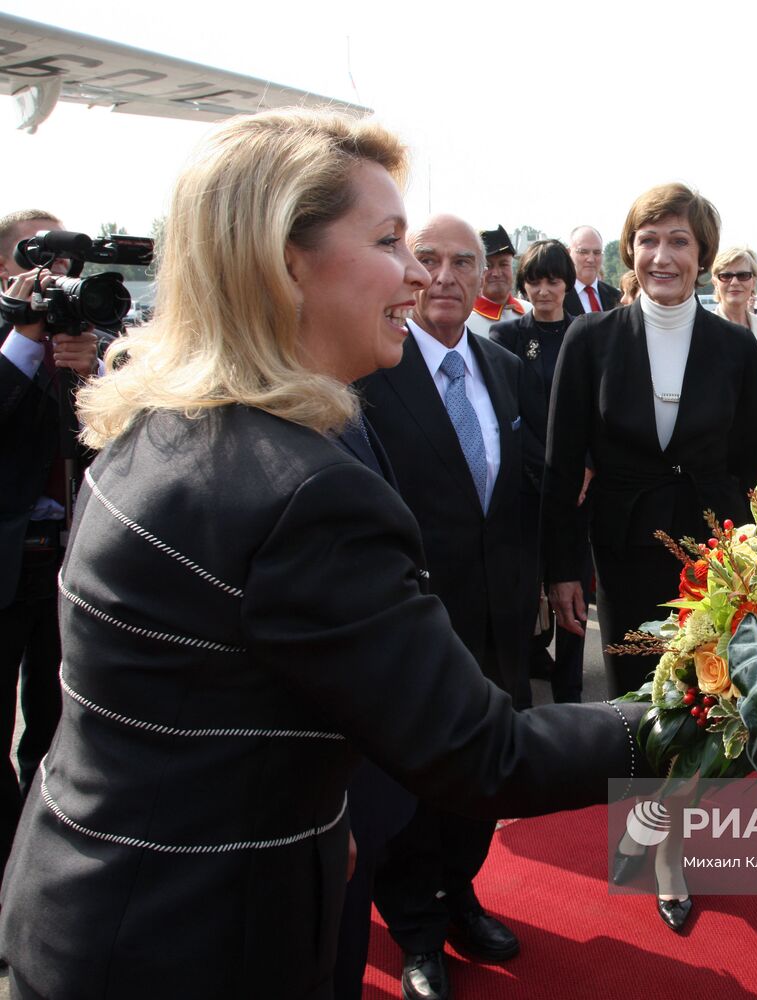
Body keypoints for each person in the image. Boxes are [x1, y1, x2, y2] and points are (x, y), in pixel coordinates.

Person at [0, 108, 646, 1000]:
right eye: (389, 240)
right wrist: (707, 711)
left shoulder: (167, 419)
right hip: (195, 943)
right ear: (283, 260)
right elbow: (487, 755)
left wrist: (308, 803)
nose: (420, 271)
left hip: (90, 902)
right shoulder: (303, 489)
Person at [350, 213, 534, 1000]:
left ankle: (460, 894)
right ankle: (416, 930)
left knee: (482, 780)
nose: (449, 276)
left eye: (468, 261)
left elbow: (528, 492)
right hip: (411, 624)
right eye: (429, 259)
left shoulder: (506, 368)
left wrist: (554, 578)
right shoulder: (367, 375)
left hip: (497, 620)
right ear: (405, 270)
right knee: (413, 784)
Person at [543, 183, 757, 700]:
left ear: (703, 254)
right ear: (631, 250)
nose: (661, 257)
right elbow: (561, 467)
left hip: (716, 553)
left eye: (679, 241)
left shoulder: (737, 348)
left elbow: (751, 470)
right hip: (623, 554)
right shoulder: (589, 340)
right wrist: (561, 571)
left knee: (712, 698)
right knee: (635, 701)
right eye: (648, 240)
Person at [0, 208, 101, 888]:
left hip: (70, 562)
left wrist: (90, 371)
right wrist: (17, 340)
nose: (53, 276)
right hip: (7, 562)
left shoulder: (91, 336)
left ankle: (42, 870)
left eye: (63, 262)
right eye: (36, 259)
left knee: (61, 726)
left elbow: (110, 444)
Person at [490, 238, 587, 705]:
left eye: (553, 280)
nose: (543, 290)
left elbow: (597, 414)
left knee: (575, 591)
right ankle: (519, 692)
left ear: (567, 283)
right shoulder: (506, 337)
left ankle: (571, 693)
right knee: (526, 591)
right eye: (534, 281)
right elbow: (508, 414)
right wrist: (543, 469)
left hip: (579, 490)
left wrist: (586, 464)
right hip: (527, 487)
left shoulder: (587, 334)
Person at [710, 245, 757, 477]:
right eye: (726, 275)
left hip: (755, 444)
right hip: (713, 449)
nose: (734, 282)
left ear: (753, 281)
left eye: (743, 275)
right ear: (715, 281)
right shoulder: (703, 327)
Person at [464, 224, 531, 338]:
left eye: (503, 264)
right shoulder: (464, 320)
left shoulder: (529, 311)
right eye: (488, 266)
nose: (496, 273)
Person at [564, 225, 620, 314]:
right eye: (583, 252)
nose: (590, 259)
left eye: (597, 252)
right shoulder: (558, 297)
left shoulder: (616, 297)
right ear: (568, 253)